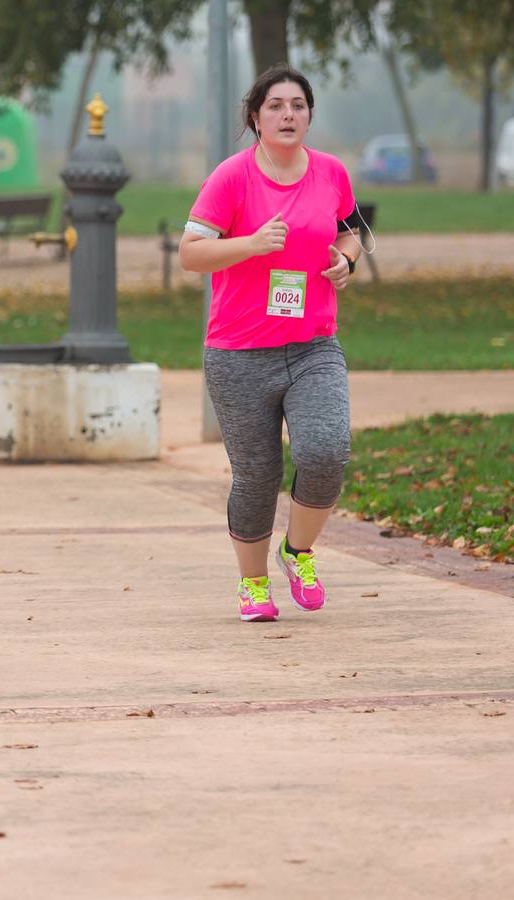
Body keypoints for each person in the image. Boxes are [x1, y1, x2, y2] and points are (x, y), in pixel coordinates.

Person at [178, 64, 363, 623]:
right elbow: (191, 253)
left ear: (309, 116)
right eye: (277, 105)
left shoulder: (330, 172)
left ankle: (298, 552)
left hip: (313, 345)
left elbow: (352, 230)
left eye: (299, 105)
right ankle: (252, 584)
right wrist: (252, 244)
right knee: (257, 475)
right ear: (256, 118)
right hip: (238, 351)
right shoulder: (231, 179)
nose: (289, 114)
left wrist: (345, 260)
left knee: (325, 453)